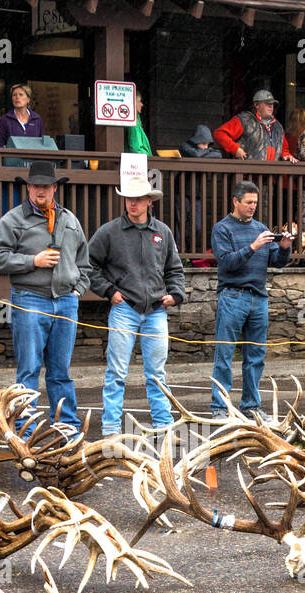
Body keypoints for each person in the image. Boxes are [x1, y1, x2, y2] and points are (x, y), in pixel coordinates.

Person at [0, 160, 92, 431]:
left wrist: (77, 290)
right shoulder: (12, 219)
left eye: (45, 186)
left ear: (54, 187)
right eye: (35, 186)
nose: (40, 191)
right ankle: (25, 428)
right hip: (30, 298)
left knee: (61, 373)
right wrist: (33, 261)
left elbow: (85, 262)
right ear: (28, 188)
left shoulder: (69, 219)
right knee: (29, 370)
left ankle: (67, 428)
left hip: (66, 301)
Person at [88, 171, 185, 435]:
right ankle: (110, 428)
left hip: (155, 310)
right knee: (116, 373)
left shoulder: (162, 232)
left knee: (156, 373)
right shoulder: (109, 232)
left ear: (149, 201)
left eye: (139, 199)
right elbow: (88, 264)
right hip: (124, 308)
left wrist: (175, 294)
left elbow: (174, 269)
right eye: (129, 198)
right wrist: (109, 291)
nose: (133, 203)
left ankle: (163, 425)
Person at [208, 180, 292, 417]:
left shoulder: (261, 228)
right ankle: (219, 407)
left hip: (259, 298)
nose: (252, 206)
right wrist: (253, 247)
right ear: (235, 201)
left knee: (256, 356)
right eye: (248, 202)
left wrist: (284, 248)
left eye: (255, 202)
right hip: (233, 296)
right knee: (224, 355)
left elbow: (276, 261)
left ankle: (251, 406)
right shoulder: (222, 229)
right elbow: (227, 262)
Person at [214, 90, 296, 162]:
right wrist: (235, 149)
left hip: (271, 177)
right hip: (247, 175)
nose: (271, 106)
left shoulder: (278, 127)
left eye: (272, 104)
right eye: (267, 103)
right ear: (256, 105)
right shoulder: (244, 120)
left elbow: (284, 149)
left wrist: (286, 155)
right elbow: (219, 133)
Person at [126, 91, 153, 156]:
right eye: (139, 101)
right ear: (134, 103)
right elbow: (136, 149)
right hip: (138, 163)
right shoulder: (133, 123)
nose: (142, 104)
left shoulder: (135, 121)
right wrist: (149, 157)